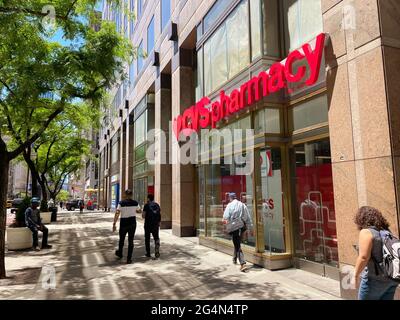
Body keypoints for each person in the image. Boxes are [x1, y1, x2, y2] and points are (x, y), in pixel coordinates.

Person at [354, 206, 399, 300]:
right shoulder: (387, 232)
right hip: (391, 279)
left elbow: (363, 257)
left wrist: (355, 275)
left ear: (361, 219)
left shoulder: (366, 232)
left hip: (373, 280)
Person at [223, 193, 253, 272]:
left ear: (230, 198)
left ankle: (243, 264)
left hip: (234, 228)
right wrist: (250, 229)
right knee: (237, 242)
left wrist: (225, 226)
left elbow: (225, 217)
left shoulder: (229, 205)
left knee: (237, 244)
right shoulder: (242, 205)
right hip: (242, 227)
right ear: (236, 197)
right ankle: (234, 258)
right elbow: (248, 218)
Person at [113, 189, 141, 264]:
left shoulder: (121, 203)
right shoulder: (135, 203)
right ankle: (129, 258)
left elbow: (117, 213)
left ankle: (120, 253)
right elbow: (139, 211)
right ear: (131, 195)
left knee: (121, 239)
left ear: (125, 195)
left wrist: (114, 223)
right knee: (131, 240)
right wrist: (134, 210)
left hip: (123, 223)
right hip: (132, 223)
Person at [142, 194, 161, 259]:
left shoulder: (146, 205)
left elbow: (143, 216)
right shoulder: (157, 205)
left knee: (147, 239)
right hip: (155, 224)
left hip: (148, 224)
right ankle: (157, 246)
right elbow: (159, 215)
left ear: (148, 199)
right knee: (156, 237)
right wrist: (159, 223)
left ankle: (148, 253)